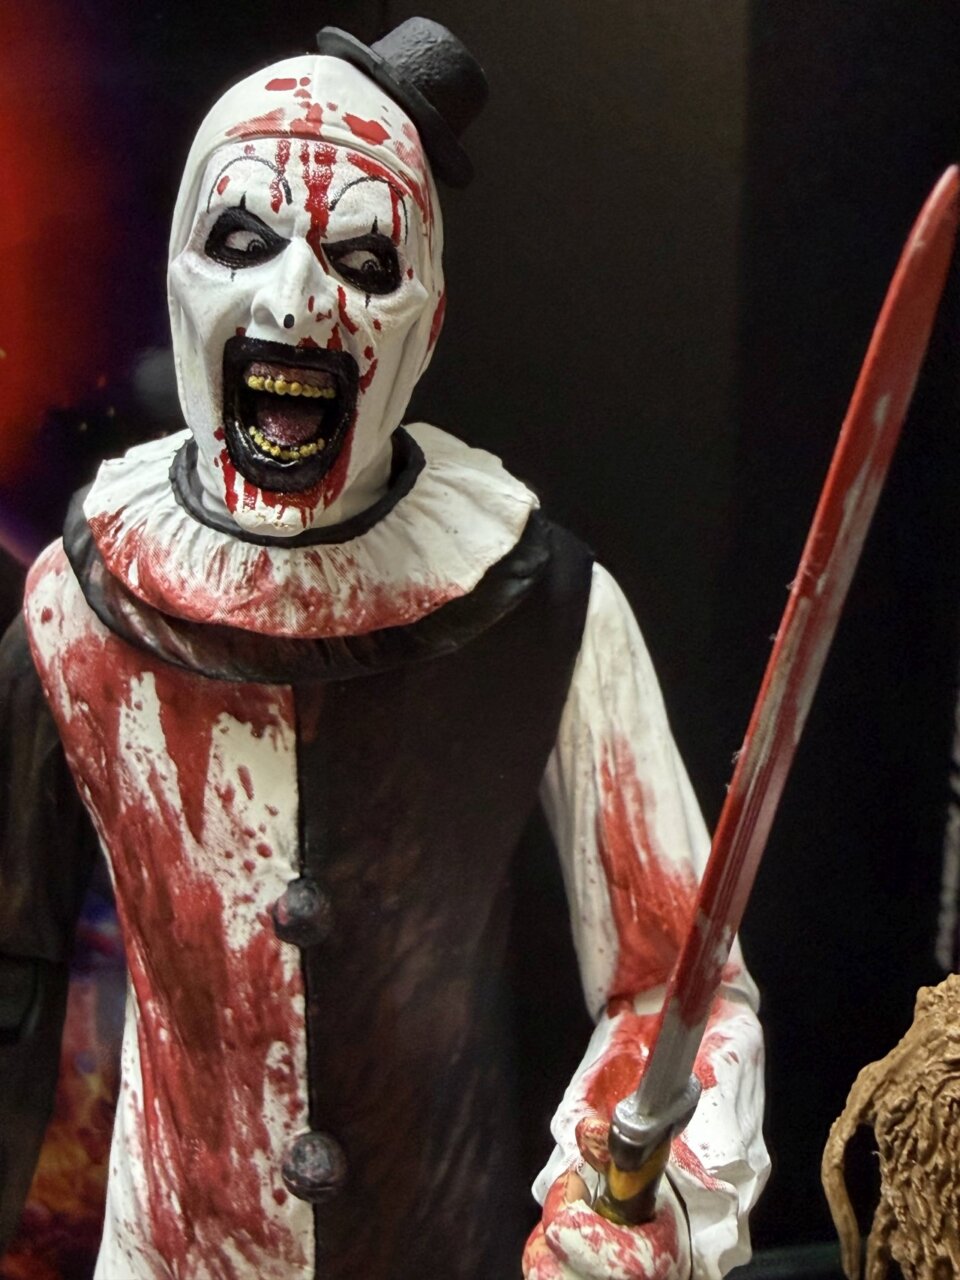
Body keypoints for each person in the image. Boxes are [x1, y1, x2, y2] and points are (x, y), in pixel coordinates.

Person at [0, 19, 768, 1278]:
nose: (297, 301)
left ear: (428, 317)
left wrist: (641, 1190)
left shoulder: (541, 601)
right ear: (180, 272)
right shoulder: (82, 604)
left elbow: (680, 986)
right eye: (242, 240)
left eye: (362, 258)